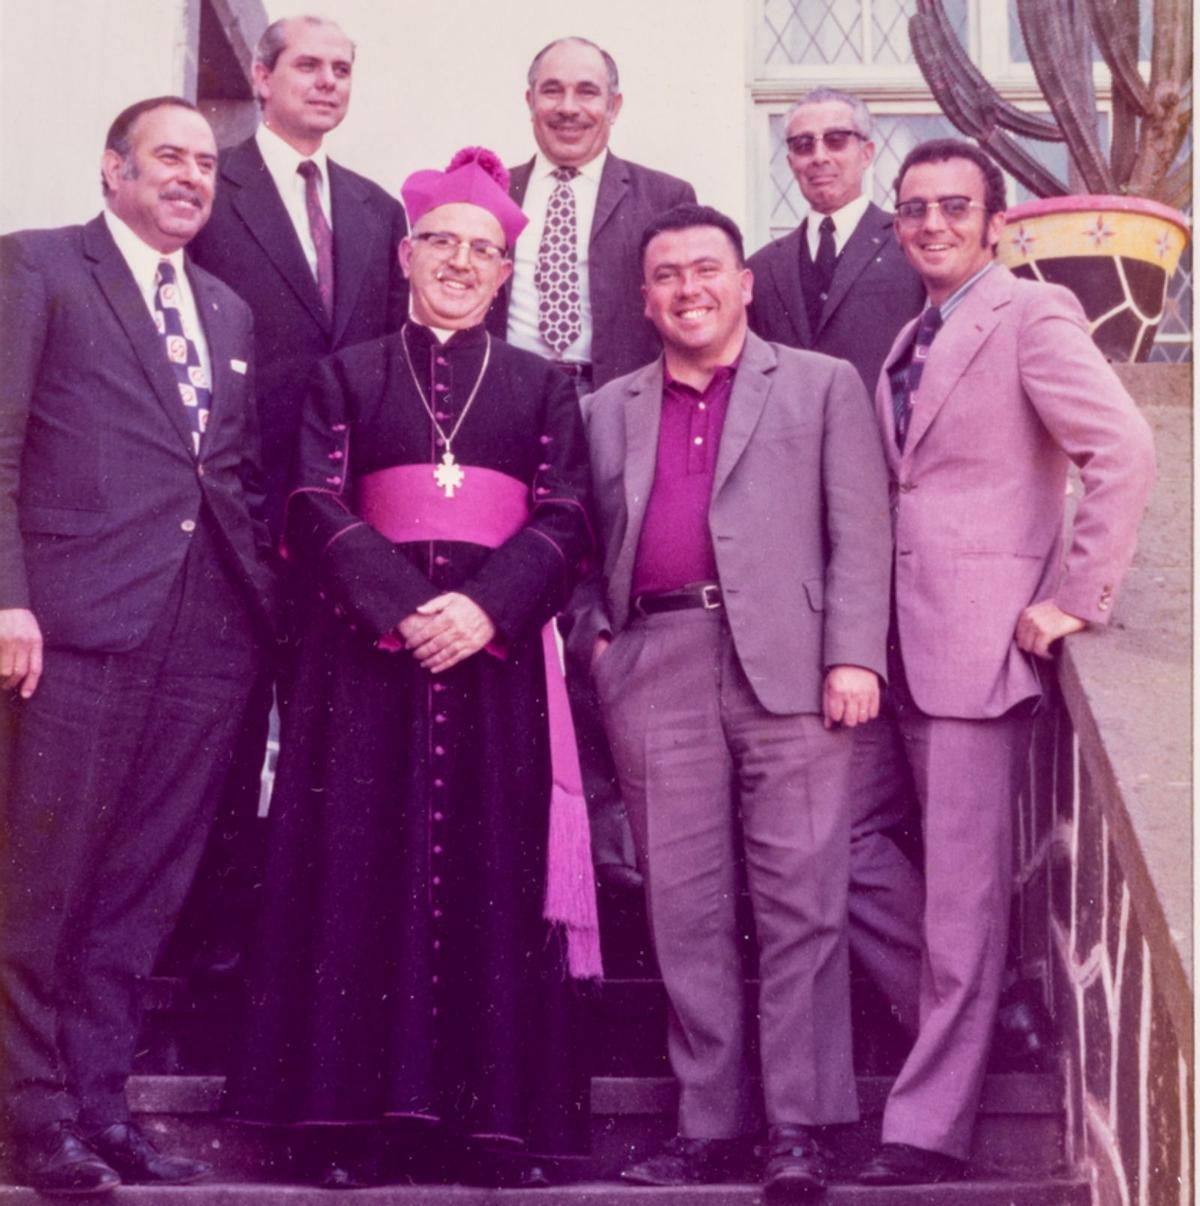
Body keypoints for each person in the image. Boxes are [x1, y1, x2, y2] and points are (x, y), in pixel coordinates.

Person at [223, 147, 598, 1190]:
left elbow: (569, 513)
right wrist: (400, 606)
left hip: (494, 664)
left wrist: (483, 610)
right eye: (444, 244)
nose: (464, 264)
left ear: (507, 271)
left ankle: (493, 1132)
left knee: (489, 877)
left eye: (485, 251)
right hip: (366, 666)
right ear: (406, 254)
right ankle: (341, 1127)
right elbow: (309, 501)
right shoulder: (345, 373)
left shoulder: (543, 384)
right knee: (356, 875)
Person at [575, 203, 892, 1201]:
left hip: (795, 669)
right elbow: (581, 541)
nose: (688, 289)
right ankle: (709, 1125)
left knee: (803, 902)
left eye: (706, 269)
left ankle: (800, 1127)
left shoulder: (820, 384)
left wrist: (853, 657)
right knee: (684, 906)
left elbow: (863, 530)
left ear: (745, 282)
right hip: (655, 662)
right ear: (644, 297)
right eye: (666, 275)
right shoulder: (605, 407)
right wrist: (597, 643)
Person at [855, 139, 1155, 1186]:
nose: (930, 223)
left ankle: (927, 1128)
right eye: (913, 209)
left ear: (996, 223)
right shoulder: (911, 332)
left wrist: (1073, 599)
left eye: (953, 207)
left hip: (979, 646)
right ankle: (994, 1009)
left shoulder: (1028, 315)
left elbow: (1122, 447)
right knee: (842, 847)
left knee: (961, 899)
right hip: (894, 642)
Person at [0, 96, 276, 1195]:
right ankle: (32, 1114)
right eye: (168, 156)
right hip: (72, 627)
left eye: (206, 162)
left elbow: (231, 480)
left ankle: (103, 1106)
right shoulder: (38, 269)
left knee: (140, 891)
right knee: (45, 879)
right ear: (112, 169)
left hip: (205, 639)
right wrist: (7, 599)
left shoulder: (229, 311)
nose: (190, 176)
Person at [182, 13, 409, 978]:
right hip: (231, 502)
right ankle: (214, 939)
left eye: (341, 70)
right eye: (308, 67)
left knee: (329, 719)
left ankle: (310, 938)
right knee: (225, 727)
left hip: (340, 512)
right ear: (264, 79)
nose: (326, 83)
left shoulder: (375, 209)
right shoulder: (208, 191)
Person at [489, 34, 696, 891]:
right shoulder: (490, 194)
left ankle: (619, 842)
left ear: (615, 104)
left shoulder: (662, 196)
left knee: (609, 604)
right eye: (551, 91)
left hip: (616, 417)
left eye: (586, 91)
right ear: (529, 100)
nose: (568, 106)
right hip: (512, 417)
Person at [747, 86, 927, 1038]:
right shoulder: (764, 269)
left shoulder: (909, 253)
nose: (817, 157)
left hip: (898, 551)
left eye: (835, 141)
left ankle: (945, 1002)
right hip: (792, 561)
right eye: (800, 144)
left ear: (869, 150)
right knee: (838, 807)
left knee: (878, 808)